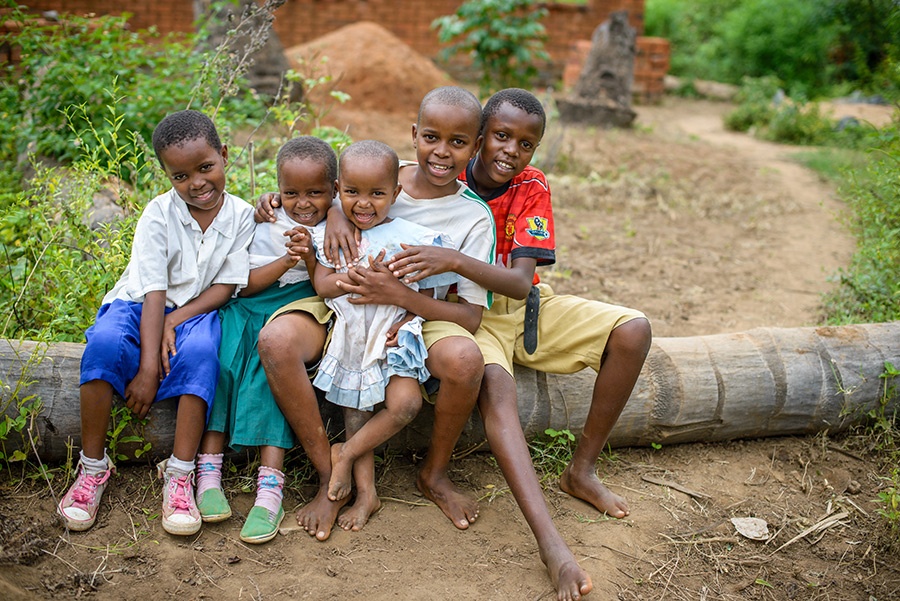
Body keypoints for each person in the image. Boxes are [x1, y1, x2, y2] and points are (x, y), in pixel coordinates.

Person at [382, 88, 652, 600]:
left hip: (521, 307)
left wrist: (456, 261)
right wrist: (328, 213)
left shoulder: (530, 185)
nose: (511, 151)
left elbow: (522, 283)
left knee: (634, 329)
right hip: (469, 315)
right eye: (502, 137)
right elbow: (359, 189)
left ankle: (582, 469)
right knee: (499, 396)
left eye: (526, 144)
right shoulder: (444, 165)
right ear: (481, 137)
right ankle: (553, 547)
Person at [255, 86, 493, 537]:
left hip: (397, 323)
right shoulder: (377, 181)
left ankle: (344, 456)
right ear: (414, 136)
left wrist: (403, 302)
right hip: (347, 318)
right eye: (430, 138)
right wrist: (330, 215)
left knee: (400, 404)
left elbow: (449, 296)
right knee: (344, 397)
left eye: (458, 142)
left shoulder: (448, 223)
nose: (441, 152)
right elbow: (313, 197)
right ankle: (342, 486)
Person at [57, 109, 254, 537]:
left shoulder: (242, 216)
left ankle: (180, 474)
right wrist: (148, 367)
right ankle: (93, 467)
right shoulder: (157, 214)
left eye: (206, 167)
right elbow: (153, 293)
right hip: (139, 304)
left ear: (224, 155)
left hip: (197, 309)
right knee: (106, 344)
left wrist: (175, 323)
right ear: (166, 175)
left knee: (204, 353)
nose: (197, 183)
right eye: (180, 176)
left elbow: (223, 288)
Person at [195, 136, 337, 544]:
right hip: (250, 302)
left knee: (266, 370)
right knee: (221, 364)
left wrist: (309, 254)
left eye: (315, 193)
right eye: (290, 192)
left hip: (298, 306)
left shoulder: (338, 225)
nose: (303, 202)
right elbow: (245, 285)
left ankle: (270, 486)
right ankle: (208, 471)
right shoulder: (264, 222)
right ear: (277, 187)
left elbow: (325, 286)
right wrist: (286, 259)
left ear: (333, 190)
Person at [312, 139, 457, 527]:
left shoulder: (411, 237)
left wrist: (406, 313)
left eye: (377, 193)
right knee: (356, 411)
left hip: (392, 334)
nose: (363, 203)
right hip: (352, 338)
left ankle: (343, 454)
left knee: (405, 405)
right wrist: (352, 278)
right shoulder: (336, 235)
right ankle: (367, 495)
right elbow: (322, 284)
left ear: (396, 192)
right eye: (352, 192)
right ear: (338, 189)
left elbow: (428, 292)